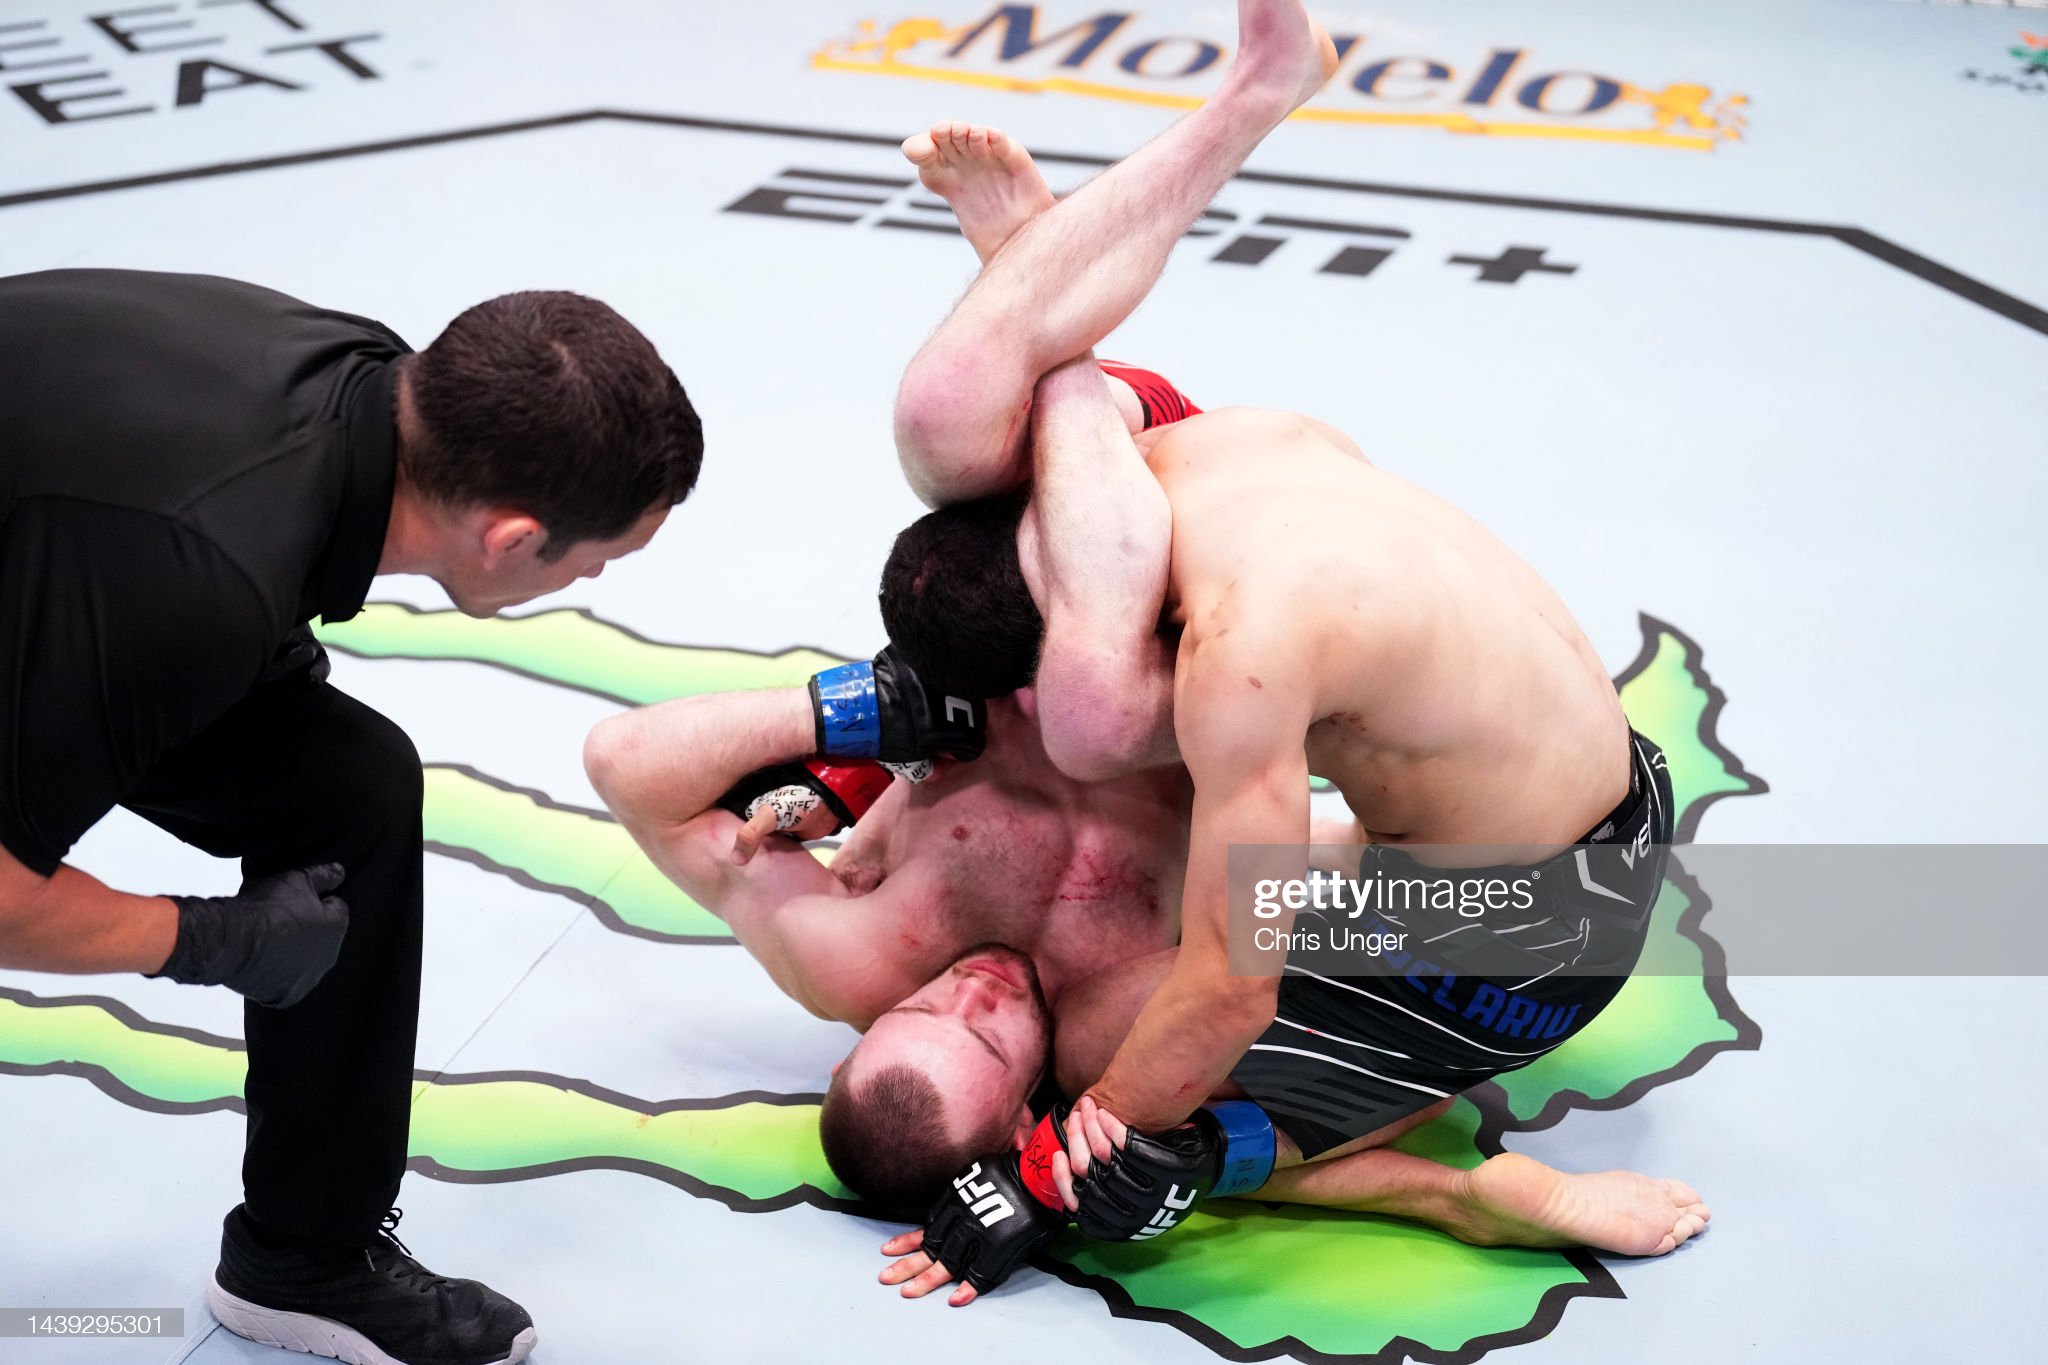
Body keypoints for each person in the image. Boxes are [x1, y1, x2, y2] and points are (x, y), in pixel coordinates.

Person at [872, 0, 1686, 1284]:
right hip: (1569, 795)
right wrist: (1029, 282)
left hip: (1535, 937)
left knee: (1124, 1071)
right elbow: (1028, 414)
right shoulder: (1217, 445)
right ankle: (1072, 233)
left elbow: (1227, 987)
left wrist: (1047, 1170)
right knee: (960, 420)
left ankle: (1450, 1198)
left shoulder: (1237, 656)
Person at [0, 268, 702, 1365]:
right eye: (598, 557)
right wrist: (205, 939)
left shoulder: (370, 380)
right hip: (99, 562)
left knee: (348, 788)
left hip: (68, 543)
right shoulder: (201, 581)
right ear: (511, 539)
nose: (597, 577)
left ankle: (305, 1253)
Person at [584, 665, 1709, 1310]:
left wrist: (856, 721)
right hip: (1253, 689)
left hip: (1025, 603)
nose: (971, 987)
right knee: (1186, 1116)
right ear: (1021, 1111)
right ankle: (1459, 1201)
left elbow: (625, 764)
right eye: (987, 1036)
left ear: (862, 1033)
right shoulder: (1121, 1030)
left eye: (919, 1009)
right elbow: (1394, 1076)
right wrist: (1086, 1175)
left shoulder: (851, 955)